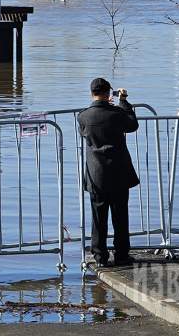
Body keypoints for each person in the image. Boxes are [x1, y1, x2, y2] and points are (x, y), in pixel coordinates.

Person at [78, 77, 139, 267]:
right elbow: (132, 125)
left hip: (96, 174)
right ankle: (121, 255)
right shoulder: (116, 113)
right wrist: (123, 102)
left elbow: (84, 133)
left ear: (92, 93)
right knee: (120, 216)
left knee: (98, 217)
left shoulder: (83, 116)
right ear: (107, 93)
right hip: (119, 171)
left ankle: (100, 256)